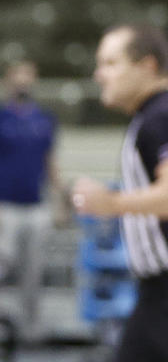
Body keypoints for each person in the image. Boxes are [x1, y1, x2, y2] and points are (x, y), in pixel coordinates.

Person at [72, 24, 168, 362]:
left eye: (111, 64)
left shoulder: (160, 116)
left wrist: (110, 203)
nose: (99, 75)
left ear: (147, 66)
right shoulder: (151, 117)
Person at [0, 60, 62, 338]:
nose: (23, 83)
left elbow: (50, 162)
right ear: (8, 82)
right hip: (5, 207)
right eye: (18, 78)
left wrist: (59, 201)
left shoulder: (44, 119)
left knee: (33, 274)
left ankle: (29, 330)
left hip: (36, 207)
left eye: (28, 77)